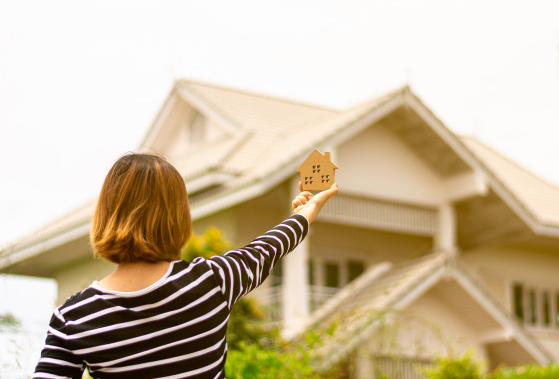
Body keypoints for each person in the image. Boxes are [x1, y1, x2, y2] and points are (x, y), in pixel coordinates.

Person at [33, 152, 338, 379]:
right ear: (178, 216)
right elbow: (267, 248)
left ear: (106, 213)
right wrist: (304, 214)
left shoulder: (73, 318)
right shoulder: (213, 281)